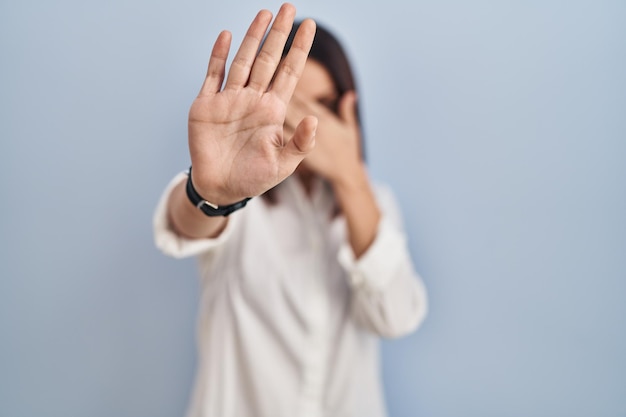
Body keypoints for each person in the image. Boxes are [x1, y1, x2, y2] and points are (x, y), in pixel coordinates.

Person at [153, 3, 428, 417]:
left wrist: (351, 177)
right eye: (293, 107)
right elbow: (185, 225)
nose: (307, 125)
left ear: (348, 112)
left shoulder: (374, 206)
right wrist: (210, 192)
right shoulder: (241, 207)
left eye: (321, 107)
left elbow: (395, 317)